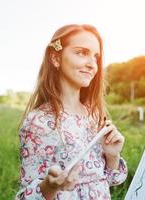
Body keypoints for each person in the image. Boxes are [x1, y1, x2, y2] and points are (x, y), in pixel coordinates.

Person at [15, 24, 128, 200]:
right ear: (56, 58)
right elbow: (24, 197)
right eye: (82, 52)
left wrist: (112, 156)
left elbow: (111, 180)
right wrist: (50, 186)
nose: (92, 65)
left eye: (96, 57)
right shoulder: (38, 122)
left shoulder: (94, 116)